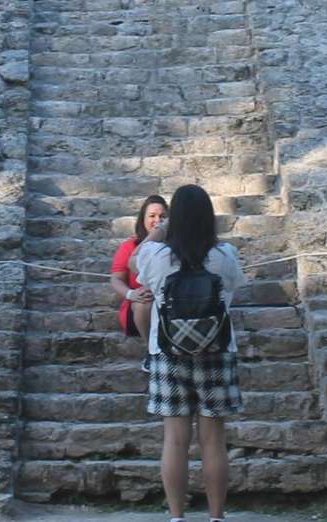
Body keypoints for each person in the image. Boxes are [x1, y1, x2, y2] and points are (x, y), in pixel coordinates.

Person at [134, 184, 246, 522]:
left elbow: (136, 259)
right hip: (216, 350)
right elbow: (233, 292)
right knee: (213, 440)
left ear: (175, 218)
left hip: (168, 352)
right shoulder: (225, 255)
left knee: (175, 440)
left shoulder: (157, 256)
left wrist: (160, 230)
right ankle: (216, 516)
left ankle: (177, 516)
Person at [112, 195, 168, 340]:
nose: (157, 220)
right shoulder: (129, 246)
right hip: (140, 303)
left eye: (162, 216)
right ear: (143, 219)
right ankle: (152, 350)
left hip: (170, 300)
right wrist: (132, 294)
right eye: (152, 216)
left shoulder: (174, 245)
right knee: (144, 304)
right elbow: (116, 279)